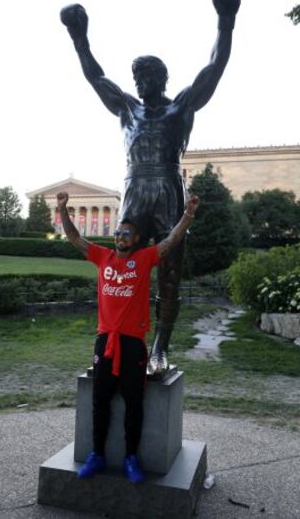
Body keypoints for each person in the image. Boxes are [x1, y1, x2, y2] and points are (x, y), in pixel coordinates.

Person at [60, 0, 244, 374]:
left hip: (168, 191)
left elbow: (214, 68)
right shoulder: (128, 110)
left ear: (161, 78)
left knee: (170, 277)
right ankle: (120, 340)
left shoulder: (181, 108)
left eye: (145, 77)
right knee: (123, 268)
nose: (139, 84)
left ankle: (160, 347)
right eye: (136, 77)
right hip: (134, 193)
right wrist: (80, 38)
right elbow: (97, 78)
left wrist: (225, 20)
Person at [56, 191, 199, 483]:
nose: (121, 236)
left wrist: (188, 214)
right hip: (105, 341)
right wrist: (62, 209)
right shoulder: (102, 257)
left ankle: (131, 458)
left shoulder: (145, 259)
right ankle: (97, 455)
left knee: (134, 402)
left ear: (135, 240)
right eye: (119, 232)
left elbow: (171, 241)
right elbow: (74, 238)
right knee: (100, 400)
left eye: (127, 234)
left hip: (133, 343)